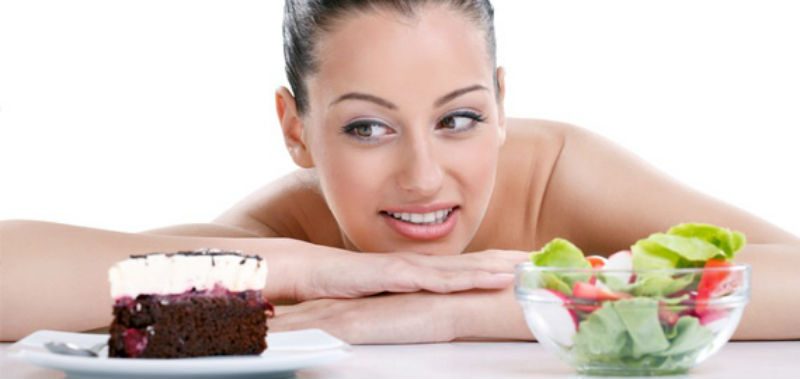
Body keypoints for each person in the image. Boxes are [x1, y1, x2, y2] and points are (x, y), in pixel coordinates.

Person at [1, 0, 798, 343]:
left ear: (501, 101)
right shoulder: (281, 240)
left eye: (459, 118)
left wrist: (466, 310)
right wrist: (323, 273)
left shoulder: (555, 169)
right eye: (368, 127)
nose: (424, 176)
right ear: (297, 130)